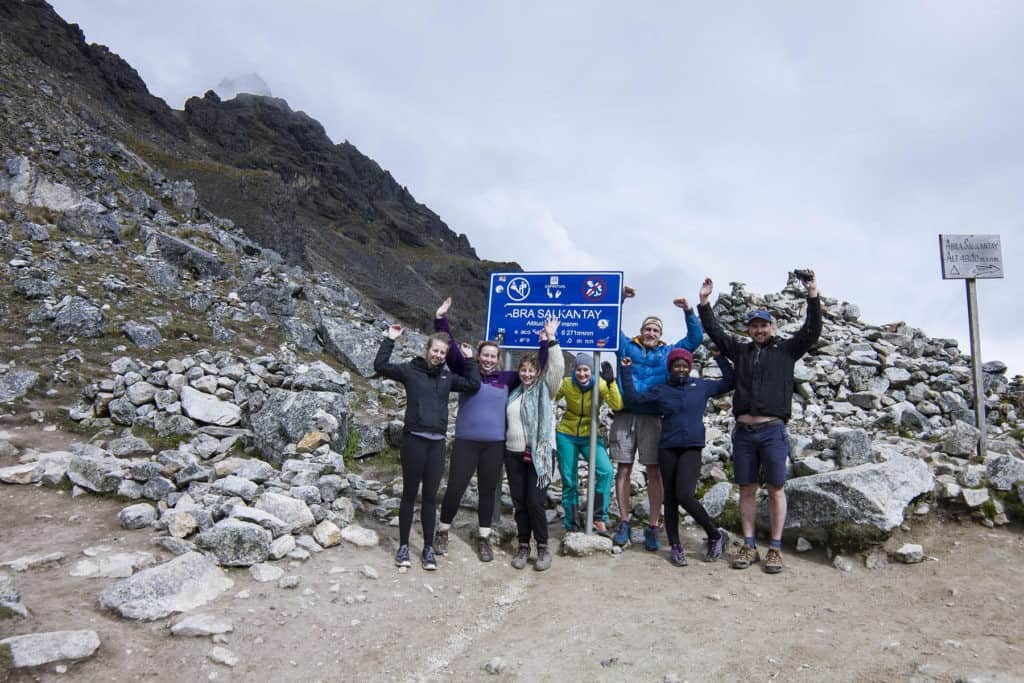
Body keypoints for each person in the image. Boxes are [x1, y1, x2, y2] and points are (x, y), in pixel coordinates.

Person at [697, 272, 821, 574]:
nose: (759, 330)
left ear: (772, 327)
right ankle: (749, 544)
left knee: (777, 488)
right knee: (747, 489)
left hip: (773, 430)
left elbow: (812, 330)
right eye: (754, 325)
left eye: (764, 325)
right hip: (743, 432)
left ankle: (775, 548)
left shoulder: (787, 350)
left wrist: (813, 294)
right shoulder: (740, 350)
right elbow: (716, 332)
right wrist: (704, 302)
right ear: (749, 329)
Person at [431, 297, 549, 563]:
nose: (488, 360)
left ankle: (483, 538)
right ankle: (443, 531)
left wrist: (545, 342)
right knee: (455, 488)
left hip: (495, 445)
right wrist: (441, 320)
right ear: (478, 355)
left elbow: (535, 370)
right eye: (484, 355)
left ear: (498, 359)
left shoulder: (506, 378)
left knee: (488, 491)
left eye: (493, 356)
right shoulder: (467, 371)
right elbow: (449, 351)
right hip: (465, 441)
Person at [373, 323, 480, 571]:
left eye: (443, 353)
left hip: (436, 445)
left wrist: (470, 359)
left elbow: (474, 384)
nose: (438, 355)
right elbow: (380, 366)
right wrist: (390, 339)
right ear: (428, 349)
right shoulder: (411, 370)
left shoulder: (447, 377)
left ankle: (428, 549)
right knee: (410, 494)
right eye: (436, 351)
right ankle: (402, 547)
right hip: (413, 441)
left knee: (430, 498)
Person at [620, 348, 735, 566]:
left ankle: (714, 534)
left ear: (689, 367)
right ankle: (675, 545)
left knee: (684, 494)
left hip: (691, 447)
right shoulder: (662, 389)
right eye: (676, 365)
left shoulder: (700, 386)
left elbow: (730, 381)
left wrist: (721, 357)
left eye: (684, 365)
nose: (681, 369)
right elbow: (634, 397)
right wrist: (626, 370)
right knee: (670, 498)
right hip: (668, 447)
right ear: (670, 367)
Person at [610, 286, 704, 551]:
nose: (651, 333)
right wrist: (621, 300)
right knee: (624, 469)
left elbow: (695, 339)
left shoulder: (667, 354)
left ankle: (653, 525)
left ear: (661, 334)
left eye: (655, 330)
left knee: (654, 472)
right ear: (641, 330)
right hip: (625, 414)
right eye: (647, 328)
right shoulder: (627, 346)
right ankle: (625, 521)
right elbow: (608, 328)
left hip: (653, 416)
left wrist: (688, 311)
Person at [505, 317, 564, 571]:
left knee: (535, 501)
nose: (527, 374)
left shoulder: (545, 389)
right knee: (519, 502)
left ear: (538, 372)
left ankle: (542, 547)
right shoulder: (514, 392)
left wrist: (551, 340)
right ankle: (522, 546)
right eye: (523, 370)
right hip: (513, 453)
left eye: (531, 370)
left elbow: (557, 368)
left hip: (540, 454)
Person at [555, 353, 622, 533]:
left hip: (590, 434)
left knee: (606, 471)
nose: (582, 374)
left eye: (586, 370)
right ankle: (572, 523)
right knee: (569, 480)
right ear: (574, 370)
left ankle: (598, 517)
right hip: (566, 434)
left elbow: (617, 405)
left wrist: (611, 382)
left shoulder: (600, 384)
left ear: (591, 370)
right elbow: (550, 396)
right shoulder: (567, 383)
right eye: (579, 370)